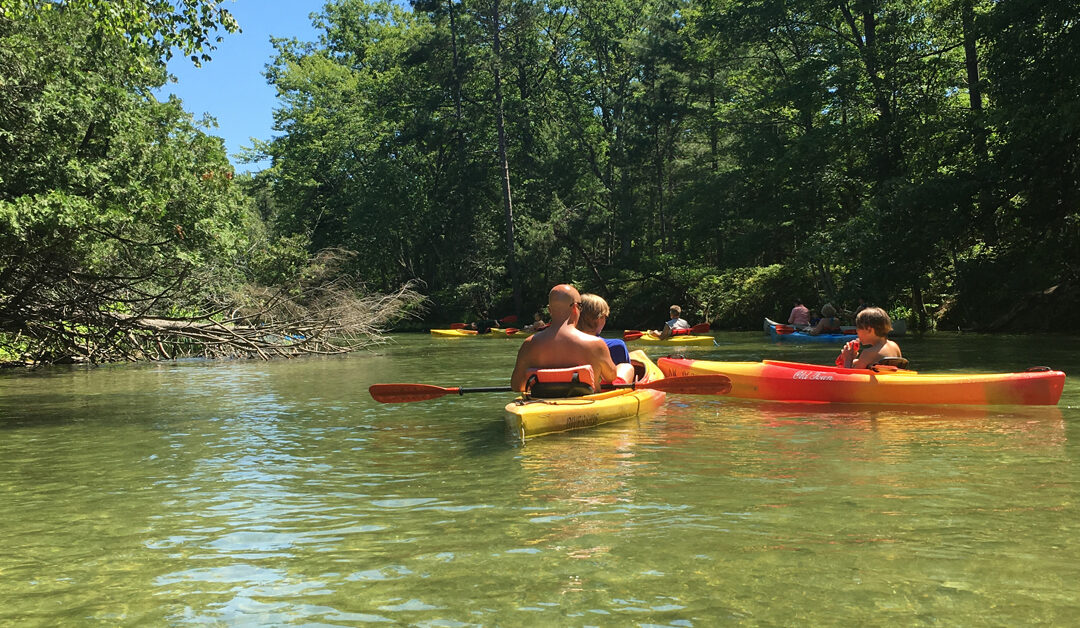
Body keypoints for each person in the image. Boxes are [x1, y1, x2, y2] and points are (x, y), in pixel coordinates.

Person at [511, 284, 626, 392]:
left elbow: (517, 386)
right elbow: (611, 377)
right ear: (576, 308)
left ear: (550, 310)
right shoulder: (595, 344)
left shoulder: (529, 344)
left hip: (544, 402)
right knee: (626, 368)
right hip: (586, 402)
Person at [576, 293, 636, 384]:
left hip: (573, 388)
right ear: (599, 318)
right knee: (626, 367)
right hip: (605, 392)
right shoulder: (616, 345)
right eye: (604, 317)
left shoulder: (564, 344)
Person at [837, 307, 902, 369]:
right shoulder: (895, 346)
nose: (856, 331)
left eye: (858, 328)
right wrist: (853, 359)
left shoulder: (868, 353)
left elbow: (851, 377)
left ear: (869, 330)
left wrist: (847, 359)